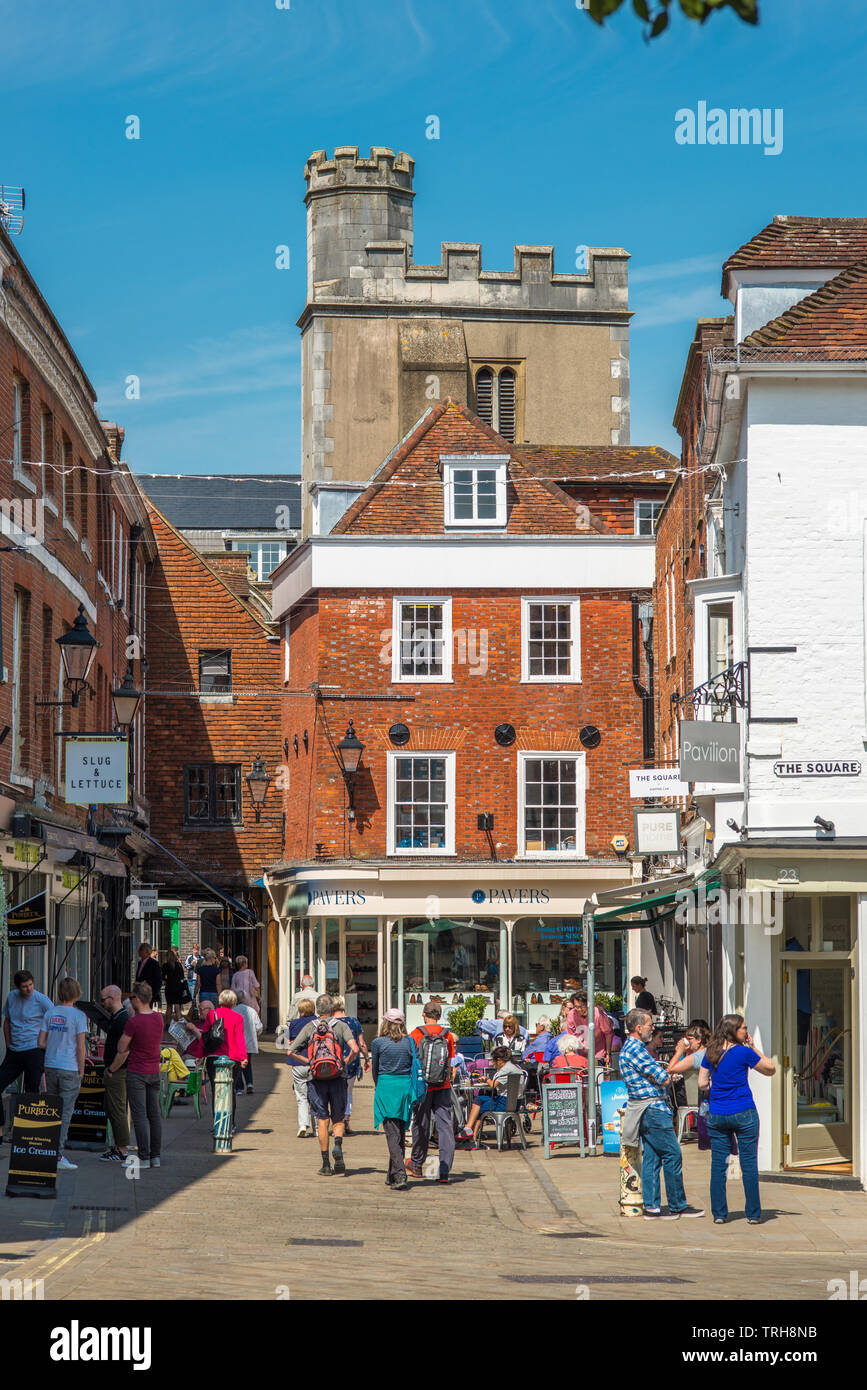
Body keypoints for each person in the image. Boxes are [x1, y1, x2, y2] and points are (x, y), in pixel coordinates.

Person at [618, 1008, 705, 1221]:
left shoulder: (631, 1048)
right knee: (673, 1154)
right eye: (649, 1024)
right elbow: (662, 1077)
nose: (652, 1028)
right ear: (638, 1028)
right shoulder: (636, 1049)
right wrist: (677, 1054)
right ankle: (677, 1205)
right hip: (653, 1109)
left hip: (646, 1109)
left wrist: (663, 1076)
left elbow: (658, 1075)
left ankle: (652, 1207)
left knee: (653, 1158)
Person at [699, 1013, 776, 1225]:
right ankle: (752, 1213)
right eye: (743, 1028)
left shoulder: (711, 1052)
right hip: (744, 1113)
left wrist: (718, 1089)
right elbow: (770, 1068)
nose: (746, 1031)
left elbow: (702, 1083)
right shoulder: (744, 1053)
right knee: (749, 1165)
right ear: (734, 1030)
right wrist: (753, 1047)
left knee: (719, 1166)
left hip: (718, 1115)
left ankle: (719, 1214)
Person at [287, 993, 359, 1177]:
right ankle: (338, 1146)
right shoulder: (341, 1026)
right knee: (338, 1118)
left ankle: (326, 1164)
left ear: (318, 1009)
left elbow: (291, 1051)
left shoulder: (309, 1027)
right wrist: (344, 1061)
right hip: (337, 1077)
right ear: (333, 1008)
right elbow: (355, 1049)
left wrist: (309, 1061)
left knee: (322, 1119)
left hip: (317, 1079)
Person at [107, 981, 164, 1169]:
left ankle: (143, 1157)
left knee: (139, 1116)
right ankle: (155, 1156)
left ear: (138, 999)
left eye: (131, 998)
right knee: (154, 1115)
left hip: (137, 1072)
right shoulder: (158, 1019)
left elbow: (122, 1047)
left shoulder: (133, 1021)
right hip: (154, 1071)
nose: (130, 1001)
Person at [38, 978, 87, 1172]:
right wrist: (82, 1071)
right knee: (65, 1113)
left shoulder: (50, 1013)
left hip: (50, 1065)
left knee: (51, 1111)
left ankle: (47, 1150)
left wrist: (54, 1045)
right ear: (76, 993)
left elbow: (40, 1042)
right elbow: (81, 1048)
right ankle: (57, 1155)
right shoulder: (79, 1016)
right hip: (69, 1068)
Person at [407, 1000, 458, 1183]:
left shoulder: (415, 1034)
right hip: (442, 1086)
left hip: (422, 1086)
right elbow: (450, 1062)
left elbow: (411, 1061)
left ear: (423, 1014)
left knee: (421, 1123)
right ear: (440, 1015)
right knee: (445, 1127)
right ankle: (443, 1170)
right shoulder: (448, 1036)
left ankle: (417, 1164)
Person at [0, 970, 52, 1142]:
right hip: (14, 1050)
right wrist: (8, 1045)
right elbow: (6, 1022)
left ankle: (27, 1133)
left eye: (30, 984)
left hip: (33, 1049)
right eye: (24, 986)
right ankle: (1, 1130)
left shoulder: (41, 1000)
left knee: (32, 1091)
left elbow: (54, 1021)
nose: (28, 989)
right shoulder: (12, 997)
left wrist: (44, 1048)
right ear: (17, 987)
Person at [371, 1009, 417, 1190]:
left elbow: (375, 1069)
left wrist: (379, 1085)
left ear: (386, 1023)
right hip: (405, 1086)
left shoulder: (377, 1043)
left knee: (391, 1132)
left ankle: (399, 1174)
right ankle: (392, 1174)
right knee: (398, 1130)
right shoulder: (410, 1042)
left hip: (386, 1086)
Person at [190, 990, 248, 1132]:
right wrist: (244, 1057)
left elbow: (205, 1037)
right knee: (231, 1090)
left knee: (216, 1090)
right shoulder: (238, 1017)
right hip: (232, 1058)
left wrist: (199, 1055)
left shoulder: (212, 1014)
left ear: (220, 1000)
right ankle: (231, 1123)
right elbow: (240, 1038)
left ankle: (218, 1122)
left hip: (213, 1057)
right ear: (233, 1002)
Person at [458, 1046, 524, 1145]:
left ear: (499, 1060)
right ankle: (472, 1137)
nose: (493, 1064)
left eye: (493, 1061)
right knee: (480, 1104)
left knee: (478, 1102)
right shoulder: (516, 1068)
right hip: (516, 1103)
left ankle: (469, 1131)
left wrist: (486, 1079)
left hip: (504, 1103)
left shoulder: (505, 1070)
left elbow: (493, 1085)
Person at [99, 985, 131, 1162]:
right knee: (111, 1108)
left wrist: (112, 1069)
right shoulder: (117, 1018)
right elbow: (116, 1042)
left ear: (112, 998)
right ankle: (117, 1147)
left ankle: (122, 1150)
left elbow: (125, 1050)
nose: (102, 1003)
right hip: (114, 1068)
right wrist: (102, 1040)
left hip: (118, 1071)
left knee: (117, 1110)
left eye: (103, 999)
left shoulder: (122, 1019)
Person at [331, 995, 370, 1133]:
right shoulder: (354, 1022)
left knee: (334, 1092)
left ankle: (336, 1120)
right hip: (351, 1061)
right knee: (348, 1091)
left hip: (333, 1061)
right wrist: (366, 1058)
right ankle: (346, 1120)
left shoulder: (329, 1023)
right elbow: (362, 1044)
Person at [286, 998, 315, 1137]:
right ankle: (317, 1128)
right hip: (315, 1062)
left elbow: (291, 1042)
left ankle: (303, 1124)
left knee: (301, 1096)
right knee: (316, 1095)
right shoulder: (318, 1022)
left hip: (298, 1062)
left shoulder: (295, 1024)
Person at [564, 991, 613, 1068]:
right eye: (576, 1007)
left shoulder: (598, 1013)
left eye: (582, 1006)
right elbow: (570, 1036)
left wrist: (608, 1053)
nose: (579, 1009)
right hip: (580, 1055)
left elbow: (608, 1034)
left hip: (598, 1055)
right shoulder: (572, 1014)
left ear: (588, 1004)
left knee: (598, 1078)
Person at [233, 989, 263, 1093]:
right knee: (248, 1063)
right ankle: (250, 1083)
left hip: (236, 1043)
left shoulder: (233, 1011)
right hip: (249, 1043)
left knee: (237, 1064)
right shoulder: (251, 1011)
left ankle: (239, 1088)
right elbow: (259, 1027)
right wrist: (256, 1035)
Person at [161, 948, 186, 1031]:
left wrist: (167, 978)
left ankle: (168, 1024)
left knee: (169, 1007)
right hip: (178, 987)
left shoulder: (165, 965)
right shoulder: (178, 965)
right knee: (178, 1007)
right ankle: (180, 1025)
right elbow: (182, 977)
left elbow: (162, 977)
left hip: (169, 987)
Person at [135, 944, 163, 1008]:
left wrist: (153, 994)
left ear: (147, 951)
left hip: (148, 994)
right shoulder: (140, 962)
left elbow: (158, 980)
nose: (138, 951)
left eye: (141, 949)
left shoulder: (154, 963)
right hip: (139, 993)